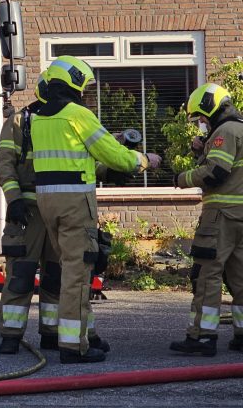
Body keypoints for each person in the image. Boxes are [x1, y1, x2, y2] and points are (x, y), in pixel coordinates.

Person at [30, 56, 160, 364]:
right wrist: (143, 160)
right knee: (78, 274)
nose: (87, 92)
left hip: (48, 205)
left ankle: (83, 336)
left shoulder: (39, 119)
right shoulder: (78, 114)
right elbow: (115, 156)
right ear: (74, 82)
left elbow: (72, 157)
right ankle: (74, 347)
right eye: (85, 85)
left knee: (68, 270)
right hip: (75, 205)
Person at [170, 83, 243, 356]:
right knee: (240, 278)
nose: (201, 121)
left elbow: (216, 173)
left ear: (212, 107)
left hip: (220, 216)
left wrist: (181, 179)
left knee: (206, 275)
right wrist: (201, 150)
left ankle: (201, 336)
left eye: (201, 115)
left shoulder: (224, 132)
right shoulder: (240, 129)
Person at [0, 72, 61, 355]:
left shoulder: (66, 122)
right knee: (20, 274)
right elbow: (5, 165)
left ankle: (52, 333)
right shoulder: (20, 122)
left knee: (56, 277)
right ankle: (11, 336)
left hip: (58, 211)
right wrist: (14, 199)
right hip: (28, 213)